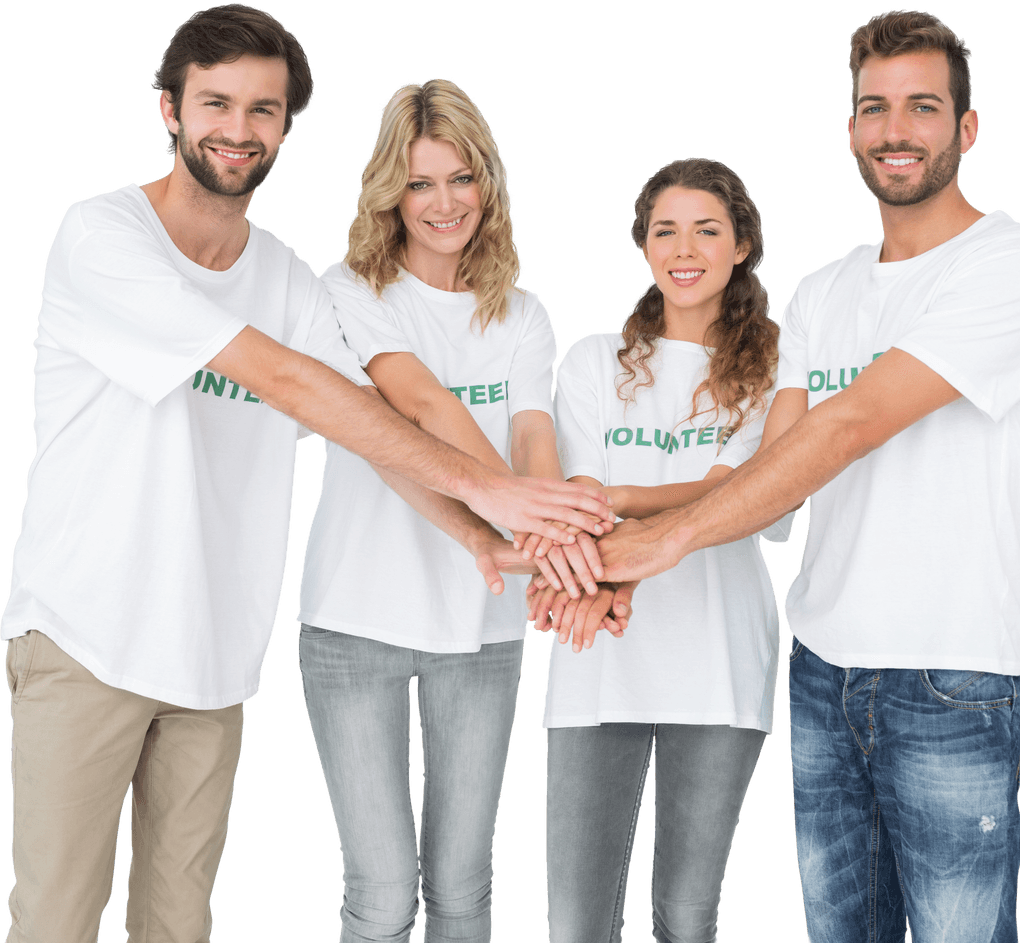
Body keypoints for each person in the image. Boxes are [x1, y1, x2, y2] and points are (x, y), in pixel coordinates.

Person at [0, 8, 612, 942]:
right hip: (88, 636)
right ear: (169, 108)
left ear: (287, 127)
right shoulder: (102, 235)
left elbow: (372, 426)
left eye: (264, 109)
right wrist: (496, 493)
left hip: (211, 658)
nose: (238, 128)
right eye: (215, 103)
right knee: (56, 920)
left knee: (179, 923)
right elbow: (294, 383)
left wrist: (482, 536)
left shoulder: (284, 277)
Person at [596, 10, 1020, 942]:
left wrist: (657, 541)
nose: (897, 130)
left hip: (951, 671)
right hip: (823, 670)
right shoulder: (824, 292)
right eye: (874, 108)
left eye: (923, 107)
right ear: (852, 130)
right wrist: (622, 548)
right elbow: (773, 471)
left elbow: (849, 425)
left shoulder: (1017, 266)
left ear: (967, 128)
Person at [295, 77, 602, 943]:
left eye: (461, 178)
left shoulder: (523, 314)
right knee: (383, 891)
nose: (443, 203)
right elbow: (419, 405)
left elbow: (534, 436)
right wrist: (530, 521)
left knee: (463, 887)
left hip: (483, 627)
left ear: (487, 185)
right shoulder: (348, 291)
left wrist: (547, 534)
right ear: (390, 192)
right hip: (355, 623)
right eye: (420, 182)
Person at [529, 158, 791, 943]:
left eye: (707, 230)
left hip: (718, 666)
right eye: (665, 230)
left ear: (741, 245)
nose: (684, 249)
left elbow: (738, 498)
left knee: (686, 916)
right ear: (642, 244)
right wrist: (613, 522)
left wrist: (621, 506)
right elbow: (581, 496)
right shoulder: (592, 361)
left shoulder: (779, 370)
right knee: (576, 924)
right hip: (596, 654)